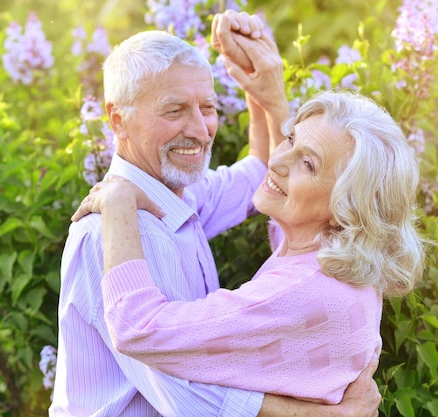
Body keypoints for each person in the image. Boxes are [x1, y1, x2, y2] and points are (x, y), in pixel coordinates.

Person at [51, 11, 380, 417]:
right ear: (118, 119)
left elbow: (264, 169)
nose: (201, 129)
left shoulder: (179, 199)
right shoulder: (119, 233)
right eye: (174, 111)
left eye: (206, 106)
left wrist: (263, 90)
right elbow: (184, 396)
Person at [73, 91, 427, 405]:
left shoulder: (298, 292)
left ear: (346, 207)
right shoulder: (336, 256)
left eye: (308, 164)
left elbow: (138, 328)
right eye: (290, 138)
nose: (276, 162)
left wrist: (119, 202)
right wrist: (266, 96)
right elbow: (285, 236)